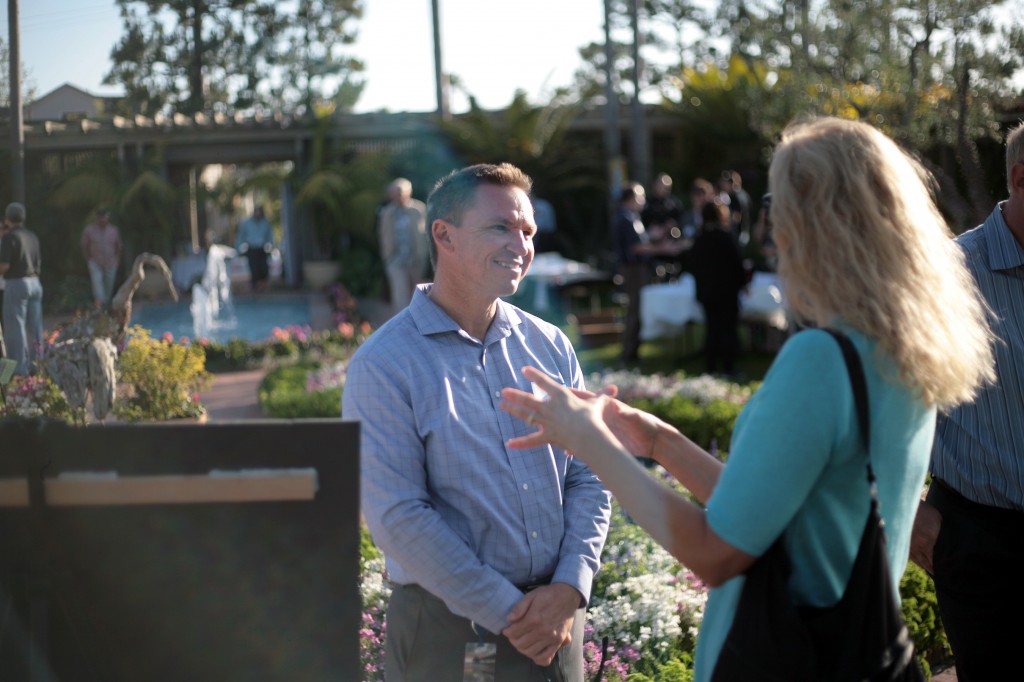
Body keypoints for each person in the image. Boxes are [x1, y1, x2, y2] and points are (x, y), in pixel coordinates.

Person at [500, 117, 995, 681]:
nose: (772, 233)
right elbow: (775, 512)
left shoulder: (821, 360)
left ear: (809, 227)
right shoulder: (901, 351)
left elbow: (716, 552)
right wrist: (658, 441)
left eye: (776, 212)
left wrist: (590, 443)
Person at [344, 163, 612, 682]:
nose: (520, 244)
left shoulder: (551, 346)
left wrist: (569, 588)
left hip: (557, 624)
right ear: (443, 234)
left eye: (528, 232)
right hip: (448, 635)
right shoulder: (383, 364)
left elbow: (591, 470)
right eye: (500, 227)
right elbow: (398, 517)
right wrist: (515, 614)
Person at [909, 121, 1024, 682]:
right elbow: (883, 405)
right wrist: (907, 515)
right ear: (1021, 178)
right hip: (982, 543)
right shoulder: (947, 276)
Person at [691, 200, 747, 376]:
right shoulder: (726, 236)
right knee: (728, 329)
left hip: (707, 291)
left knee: (712, 329)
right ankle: (728, 367)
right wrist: (743, 283)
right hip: (726, 291)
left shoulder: (699, 239)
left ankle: (711, 367)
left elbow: (693, 266)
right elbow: (737, 264)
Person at [0, 203, 45, 376]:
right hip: (35, 282)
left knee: (14, 330)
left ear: (7, 218)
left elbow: (4, 266)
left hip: (17, 284)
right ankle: (38, 366)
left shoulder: (10, 238)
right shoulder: (31, 236)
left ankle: (18, 372)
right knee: (35, 329)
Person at [377, 177, 428, 314]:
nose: (397, 196)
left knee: (417, 293)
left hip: (415, 258)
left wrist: (423, 255)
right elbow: (383, 234)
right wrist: (387, 255)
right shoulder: (387, 212)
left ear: (408, 192)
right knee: (400, 294)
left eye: (400, 192)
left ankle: (417, 322)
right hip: (395, 259)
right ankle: (402, 325)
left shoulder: (419, 209)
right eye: (394, 192)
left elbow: (425, 233)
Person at [80, 207, 123, 309]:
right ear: (97, 218)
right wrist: (88, 259)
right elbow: (84, 245)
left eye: (104, 218)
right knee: (98, 287)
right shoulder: (89, 230)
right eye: (100, 218)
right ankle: (100, 305)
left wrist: (117, 260)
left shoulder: (113, 230)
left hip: (111, 263)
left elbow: (119, 246)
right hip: (95, 262)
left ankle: (106, 307)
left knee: (108, 288)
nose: (102, 220)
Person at [235, 205, 274, 292]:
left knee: (264, 269)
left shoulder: (265, 222)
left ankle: (262, 286)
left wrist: (271, 246)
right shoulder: (247, 223)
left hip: (261, 248)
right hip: (251, 248)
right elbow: (241, 236)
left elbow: (269, 235)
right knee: (254, 269)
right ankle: (255, 287)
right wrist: (238, 248)